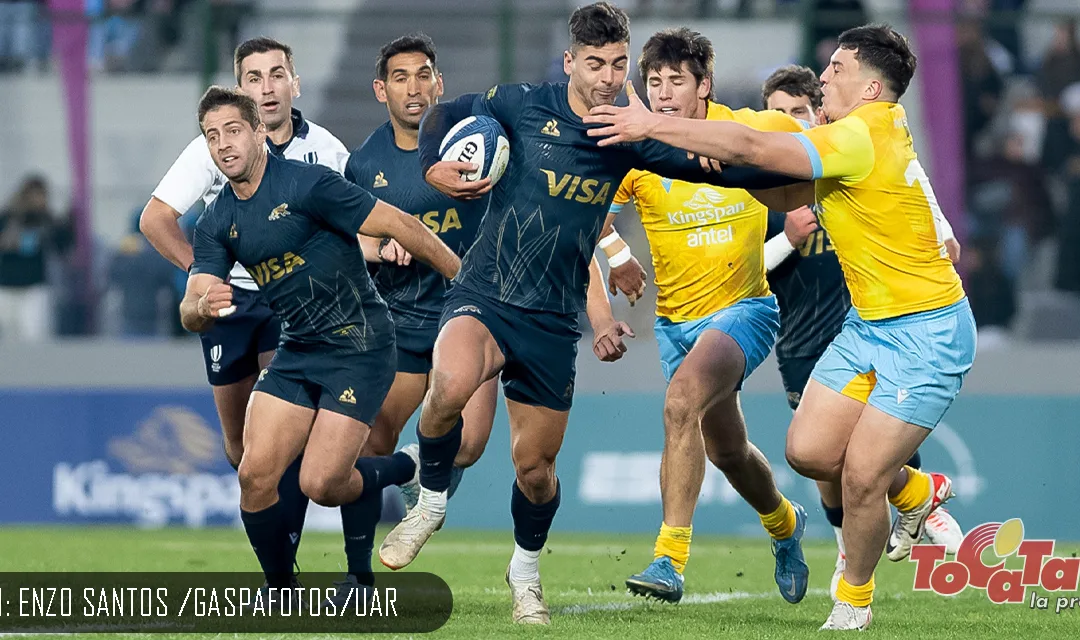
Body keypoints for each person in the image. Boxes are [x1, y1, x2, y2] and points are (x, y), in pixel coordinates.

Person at [377, 2, 801, 624]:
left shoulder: (624, 135)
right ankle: (432, 500)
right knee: (449, 387)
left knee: (537, 471)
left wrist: (791, 173)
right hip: (487, 292)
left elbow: (706, 165)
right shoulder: (521, 103)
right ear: (571, 61)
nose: (609, 77)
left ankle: (525, 575)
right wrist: (433, 164)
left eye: (619, 64)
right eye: (597, 64)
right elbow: (444, 113)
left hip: (552, 319)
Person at [585, 23, 977, 630]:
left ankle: (853, 600)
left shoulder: (860, 135)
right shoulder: (852, 134)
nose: (824, 77)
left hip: (927, 332)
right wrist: (700, 158)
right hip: (868, 325)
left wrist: (650, 126)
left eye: (838, 69)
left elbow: (754, 149)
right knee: (808, 453)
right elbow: (771, 183)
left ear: (872, 87)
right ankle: (918, 493)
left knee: (861, 477)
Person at [182, 86, 461, 595]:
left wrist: (460, 281)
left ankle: (406, 465)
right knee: (253, 475)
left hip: (361, 345)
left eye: (233, 130)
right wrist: (200, 308)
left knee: (321, 485)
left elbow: (398, 223)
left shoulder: (310, 185)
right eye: (211, 135)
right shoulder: (217, 221)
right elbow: (192, 305)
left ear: (259, 132)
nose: (223, 144)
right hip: (299, 350)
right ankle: (282, 590)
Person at [597, 28, 809, 605]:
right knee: (729, 452)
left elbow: (820, 140)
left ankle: (670, 559)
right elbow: (596, 220)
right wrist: (618, 260)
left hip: (745, 308)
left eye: (677, 82)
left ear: (704, 86)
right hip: (675, 323)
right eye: (655, 83)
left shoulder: (743, 132)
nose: (663, 95)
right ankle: (786, 525)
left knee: (680, 401)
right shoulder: (637, 152)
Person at [139, 37, 350, 570]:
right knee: (242, 452)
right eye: (253, 78)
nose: (267, 87)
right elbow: (155, 218)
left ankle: (282, 571)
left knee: (280, 438)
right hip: (230, 307)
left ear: (294, 83)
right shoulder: (214, 146)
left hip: (294, 303)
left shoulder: (326, 150)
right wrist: (200, 274)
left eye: (277, 74)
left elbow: (357, 224)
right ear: (242, 90)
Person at [760, 64, 964, 600]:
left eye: (797, 112)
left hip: (876, 326)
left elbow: (915, 188)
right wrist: (785, 239)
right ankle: (912, 497)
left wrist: (940, 231)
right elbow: (741, 271)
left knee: (865, 466)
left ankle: (855, 582)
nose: (787, 123)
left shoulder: (849, 155)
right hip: (804, 340)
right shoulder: (773, 188)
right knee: (818, 459)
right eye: (775, 115)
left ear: (818, 113)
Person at [338, 33, 498, 588]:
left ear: (440, 83)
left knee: (471, 446)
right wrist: (380, 246)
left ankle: (422, 476)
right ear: (381, 90)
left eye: (424, 74)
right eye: (401, 77)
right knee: (369, 444)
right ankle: (359, 578)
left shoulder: (476, 141)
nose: (414, 87)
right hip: (403, 321)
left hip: (473, 312)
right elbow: (348, 240)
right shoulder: (365, 163)